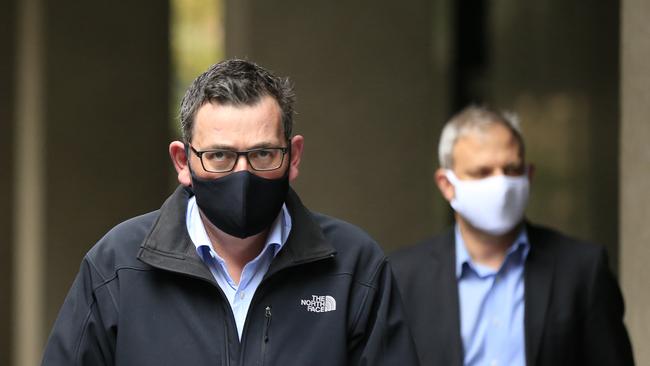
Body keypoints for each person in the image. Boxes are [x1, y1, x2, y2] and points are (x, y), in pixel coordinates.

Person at [41, 59, 419, 366]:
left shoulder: (354, 267)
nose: (243, 175)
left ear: (294, 156)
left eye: (263, 154)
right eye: (219, 156)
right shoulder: (117, 267)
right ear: (183, 161)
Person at [390, 106, 634, 366]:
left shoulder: (583, 270)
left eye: (512, 169)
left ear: (529, 175)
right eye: (482, 172)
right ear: (447, 184)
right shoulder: (404, 278)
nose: (501, 185)